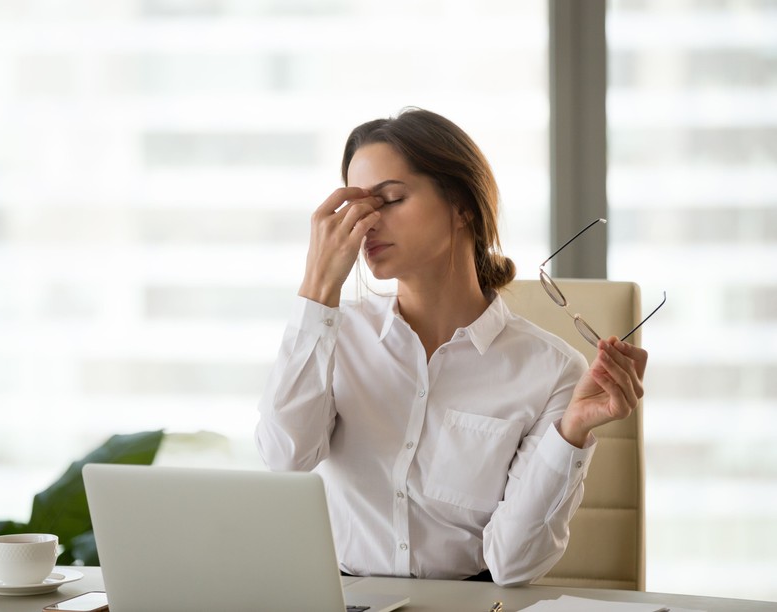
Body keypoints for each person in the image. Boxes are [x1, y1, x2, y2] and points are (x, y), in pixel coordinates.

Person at [255, 108, 648, 586]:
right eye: (357, 208)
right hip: (343, 597)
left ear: (462, 205)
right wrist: (317, 289)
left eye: (391, 199)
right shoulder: (334, 335)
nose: (366, 226)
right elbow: (285, 457)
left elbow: (512, 564)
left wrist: (570, 434)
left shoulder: (552, 371)